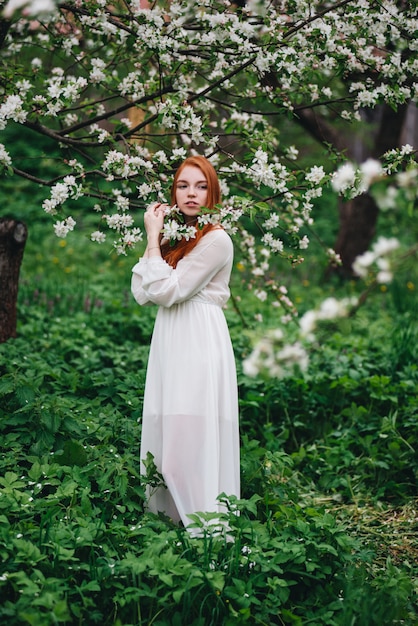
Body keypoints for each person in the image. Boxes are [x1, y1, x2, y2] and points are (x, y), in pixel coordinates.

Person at [131, 155, 240, 530]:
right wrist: (158, 239)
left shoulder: (217, 240)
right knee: (167, 442)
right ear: (173, 191)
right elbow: (140, 290)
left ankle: (206, 531)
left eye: (200, 186)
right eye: (182, 185)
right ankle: (169, 530)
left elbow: (167, 290)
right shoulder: (179, 235)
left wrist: (150, 240)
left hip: (198, 338)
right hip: (171, 337)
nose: (191, 194)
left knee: (185, 447)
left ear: (213, 192)